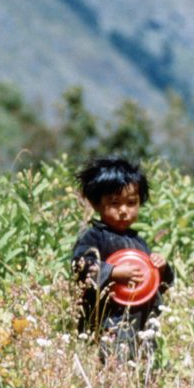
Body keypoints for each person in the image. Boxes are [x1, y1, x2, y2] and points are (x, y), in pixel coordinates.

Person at [72, 156, 174, 364]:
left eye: (131, 203)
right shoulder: (94, 237)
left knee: (143, 362)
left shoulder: (138, 241)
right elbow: (81, 267)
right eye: (114, 203)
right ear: (97, 204)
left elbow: (156, 282)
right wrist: (112, 272)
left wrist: (161, 268)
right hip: (109, 321)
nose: (123, 210)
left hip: (142, 320)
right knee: (111, 362)